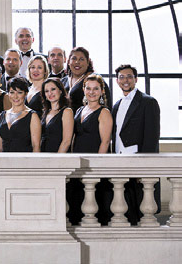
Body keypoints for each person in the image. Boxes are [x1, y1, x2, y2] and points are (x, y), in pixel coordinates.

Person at [113, 64, 161, 225]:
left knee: (142, 208)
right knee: (125, 205)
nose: (125, 80)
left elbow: (152, 137)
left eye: (129, 76)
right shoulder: (116, 105)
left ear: (136, 79)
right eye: (121, 77)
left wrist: (146, 167)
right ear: (117, 81)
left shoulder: (148, 102)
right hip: (119, 160)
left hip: (138, 160)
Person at [70, 74, 114, 225]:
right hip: (78, 162)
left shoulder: (104, 112)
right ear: (83, 90)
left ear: (102, 91)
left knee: (94, 203)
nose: (91, 92)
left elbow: (105, 141)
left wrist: (97, 167)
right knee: (77, 202)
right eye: (88, 88)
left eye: (96, 89)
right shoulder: (79, 110)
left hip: (94, 165)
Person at [0, 77, 40, 152]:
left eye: (19, 92)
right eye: (12, 92)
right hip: (4, 161)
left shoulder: (32, 116)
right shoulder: (2, 115)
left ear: (26, 94)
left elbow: (36, 146)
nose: (15, 96)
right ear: (8, 94)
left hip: (24, 161)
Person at [63, 47, 111, 113]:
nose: (77, 62)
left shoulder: (96, 79)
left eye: (81, 59)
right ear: (68, 62)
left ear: (88, 62)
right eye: (74, 58)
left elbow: (107, 105)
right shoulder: (63, 81)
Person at [40, 78, 74, 153]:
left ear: (60, 91)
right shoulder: (46, 112)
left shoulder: (67, 111)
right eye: (46, 91)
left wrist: (56, 159)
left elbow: (66, 141)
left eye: (53, 89)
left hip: (58, 157)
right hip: (44, 156)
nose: (50, 93)